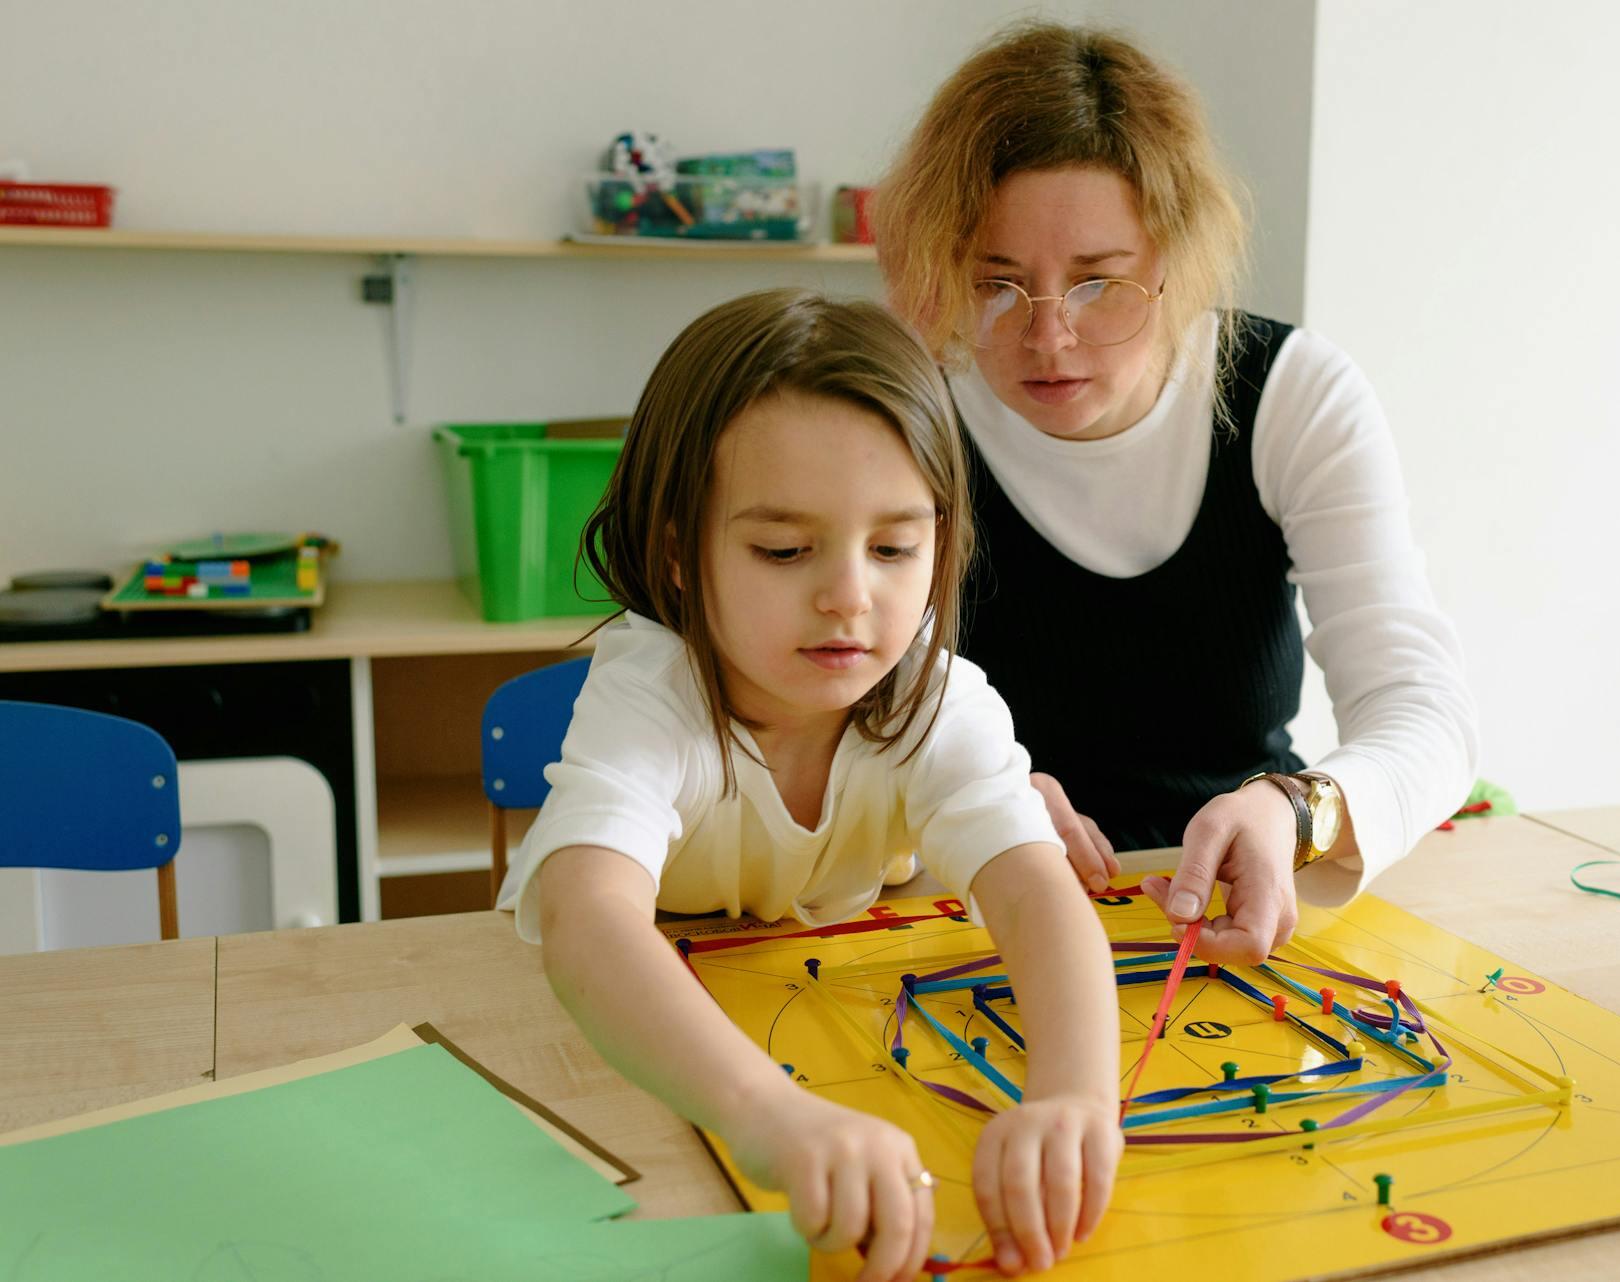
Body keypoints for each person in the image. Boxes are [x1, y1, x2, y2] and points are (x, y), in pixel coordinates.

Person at [496, 289, 1120, 1281]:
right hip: (653, 1059)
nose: (849, 596)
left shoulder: (934, 695)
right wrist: (768, 1114)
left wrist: (1078, 1099)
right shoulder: (655, 691)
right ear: (676, 551)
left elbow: (1037, 893)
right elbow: (586, 919)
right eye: (784, 550)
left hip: (835, 1000)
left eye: (894, 548)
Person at [872, 21, 1479, 965]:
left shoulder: (1291, 395)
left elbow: (1426, 711)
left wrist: (1299, 812)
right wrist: (941, 792)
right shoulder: (908, 418)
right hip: (982, 913)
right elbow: (818, 723)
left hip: (1246, 902)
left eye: (1097, 284)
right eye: (997, 284)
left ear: (1176, 259)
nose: (1049, 339)